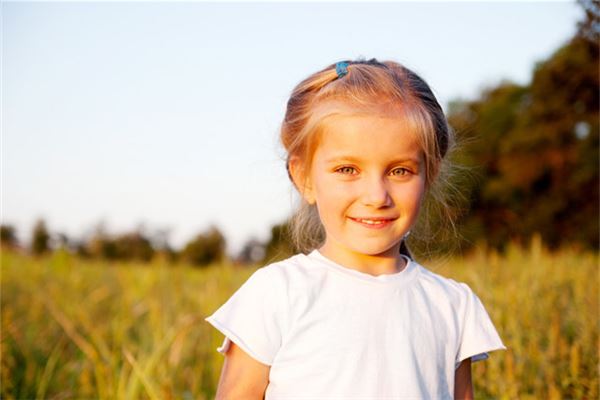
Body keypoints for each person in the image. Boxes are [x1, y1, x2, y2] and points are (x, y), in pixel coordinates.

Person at [205, 58, 506, 399]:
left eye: (400, 171)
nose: (376, 196)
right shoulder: (276, 294)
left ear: (429, 174)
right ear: (304, 177)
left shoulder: (452, 305)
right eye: (348, 169)